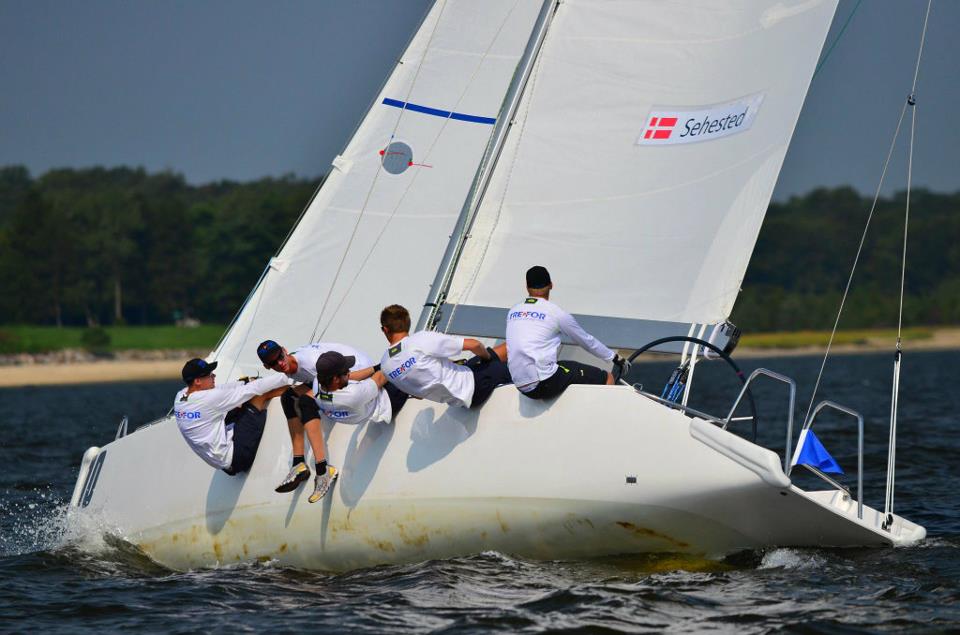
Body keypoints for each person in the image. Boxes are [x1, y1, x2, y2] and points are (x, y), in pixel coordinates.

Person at [256, 339, 372, 497]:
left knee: (305, 402)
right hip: (329, 376)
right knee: (288, 398)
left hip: (357, 371)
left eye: (280, 356)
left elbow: (344, 376)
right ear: (267, 366)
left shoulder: (310, 362)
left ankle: (323, 469)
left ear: (284, 350)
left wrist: (376, 370)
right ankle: (299, 464)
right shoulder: (294, 364)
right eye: (273, 362)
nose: (280, 363)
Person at [505, 265, 628, 399]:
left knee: (563, 365)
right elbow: (586, 341)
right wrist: (615, 358)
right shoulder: (557, 313)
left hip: (520, 383)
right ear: (551, 285)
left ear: (527, 287)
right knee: (606, 378)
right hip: (543, 382)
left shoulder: (514, 310)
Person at [173, 358, 291, 475]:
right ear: (198, 381)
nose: (214, 376)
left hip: (220, 460)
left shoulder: (181, 397)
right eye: (210, 375)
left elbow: (222, 389)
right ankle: (297, 389)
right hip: (237, 459)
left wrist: (245, 381)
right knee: (258, 395)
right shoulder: (208, 399)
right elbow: (254, 388)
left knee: (236, 403)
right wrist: (291, 374)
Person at [379, 304, 511, 409]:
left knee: (497, 352)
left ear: (385, 329)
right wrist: (488, 359)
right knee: (502, 360)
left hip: (458, 400)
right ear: (407, 323)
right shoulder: (419, 339)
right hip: (474, 385)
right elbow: (474, 345)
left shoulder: (385, 365)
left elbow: (417, 394)